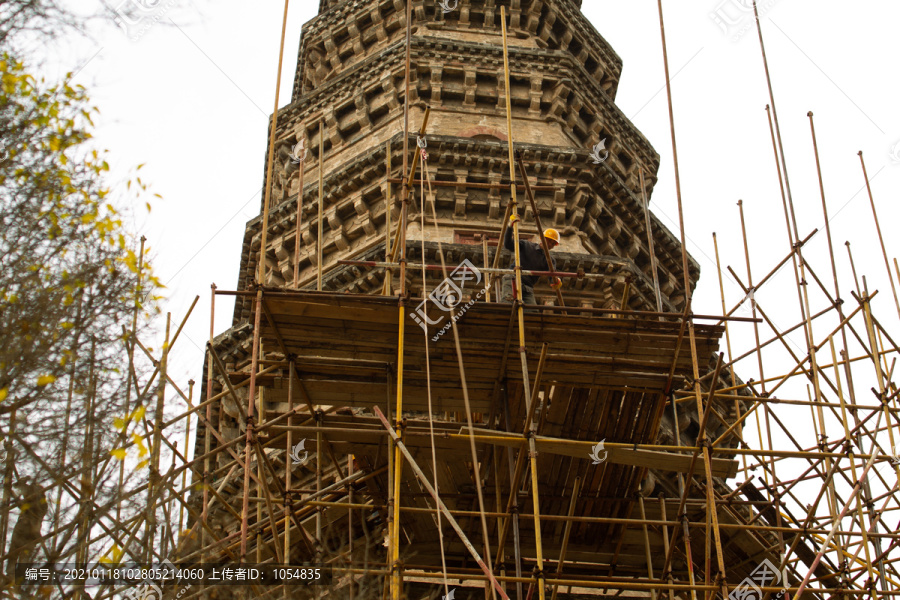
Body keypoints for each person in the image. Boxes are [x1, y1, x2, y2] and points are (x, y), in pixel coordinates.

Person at [501, 213, 562, 306]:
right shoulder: (527, 245)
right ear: (542, 238)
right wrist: (510, 226)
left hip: (527, 287)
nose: (550, 244)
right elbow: (508, 244)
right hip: (512, 278)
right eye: (548, 240)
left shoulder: (549, 260)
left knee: (532, 312)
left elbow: (552, 277)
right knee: (507, 304)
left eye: (553, 243)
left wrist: (556, 281)